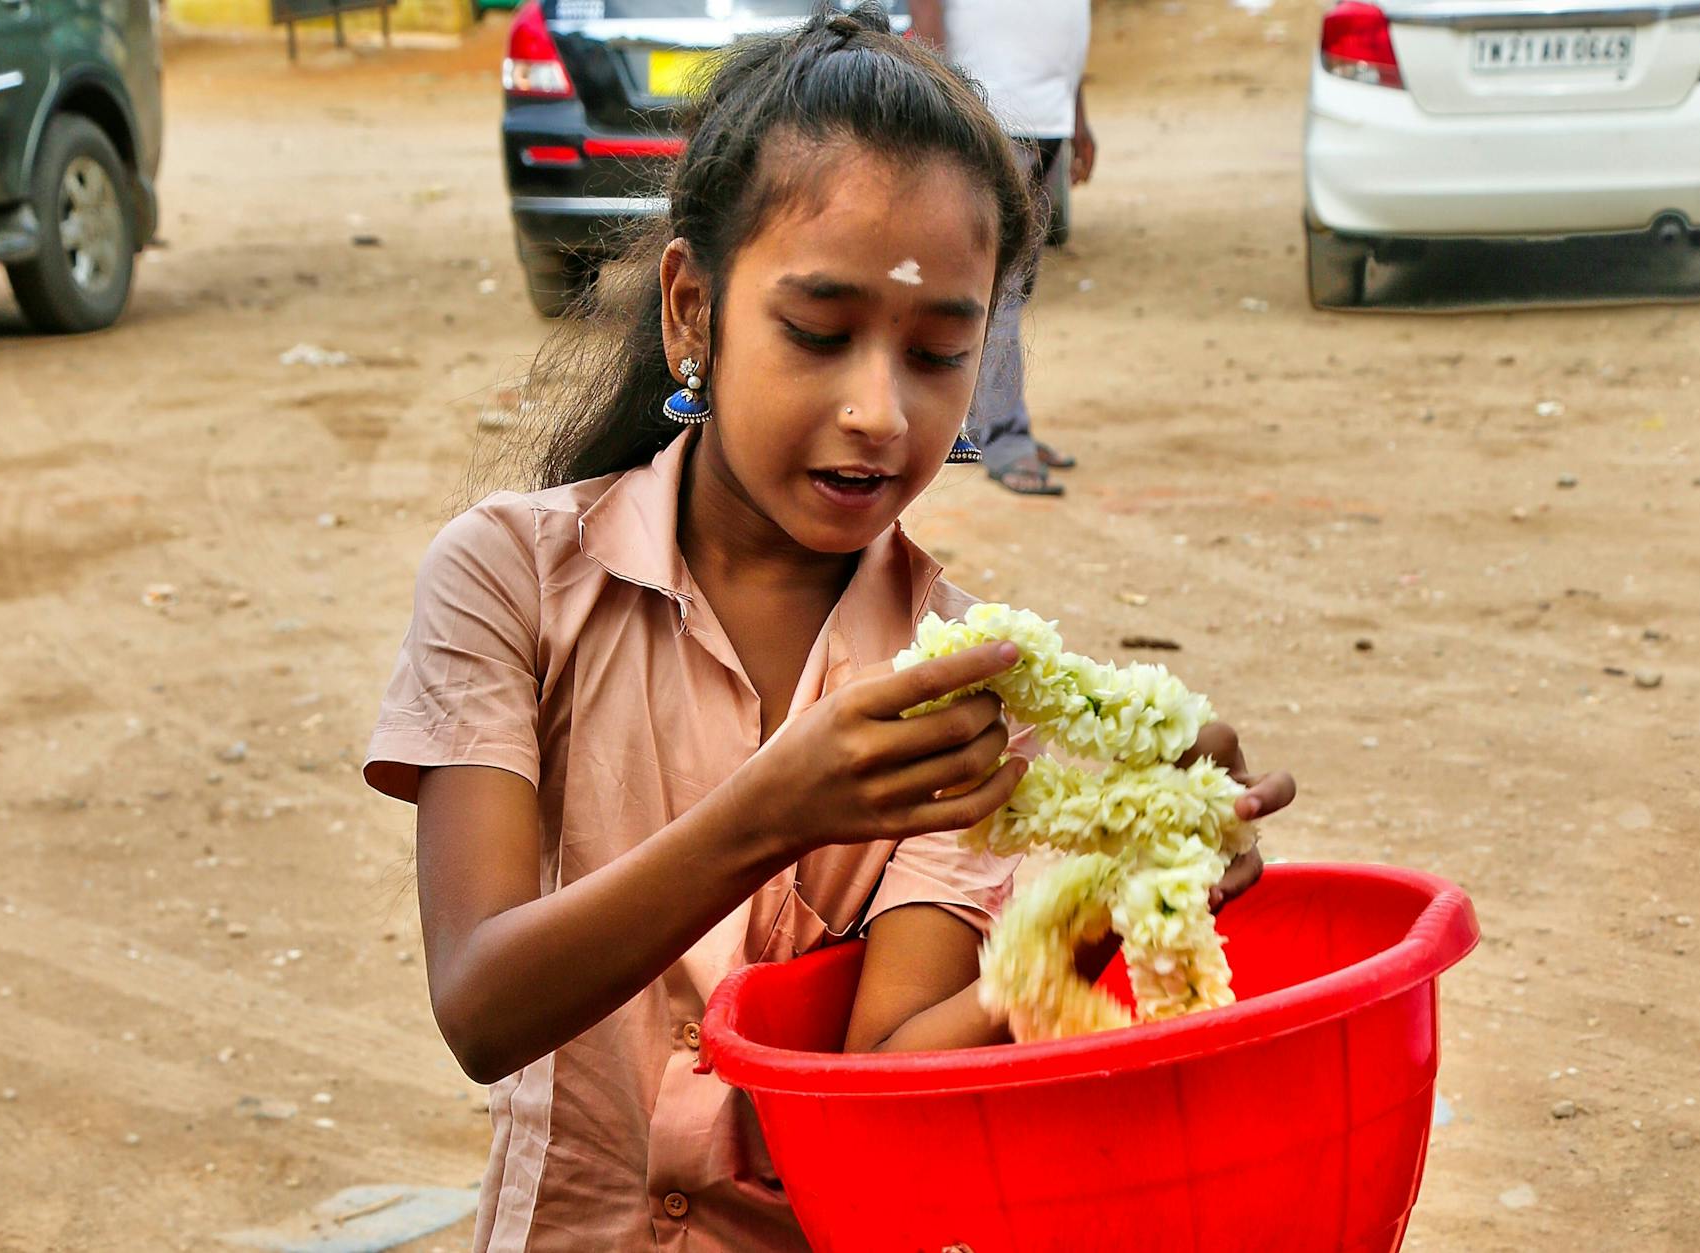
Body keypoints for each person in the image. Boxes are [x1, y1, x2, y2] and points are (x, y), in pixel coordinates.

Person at [364, 7, 1290, 1250]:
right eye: (817, 332)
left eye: (939, 352)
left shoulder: (962, 685)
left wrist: (1102, 900)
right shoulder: (511, 576)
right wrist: (772, 813)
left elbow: (887, 1068)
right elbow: (480, 1002)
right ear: (691, 309)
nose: (878, 410)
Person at [910, 0, 1095, 495]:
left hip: (1046, 118)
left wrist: (1076, 117)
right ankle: (1005, 439)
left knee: (1014, 285)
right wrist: (945, 106)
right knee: (999, 288)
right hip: (990, 117)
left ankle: (983, 424)